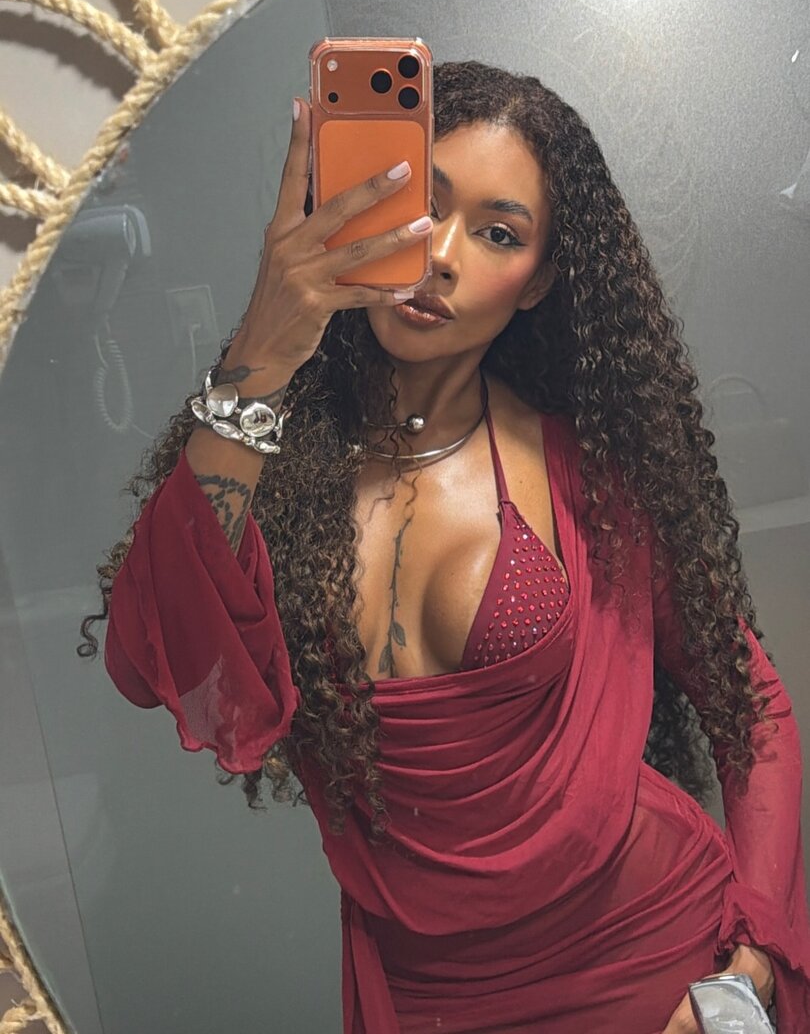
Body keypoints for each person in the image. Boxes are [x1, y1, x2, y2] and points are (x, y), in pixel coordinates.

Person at [78, 60, 810, 1033]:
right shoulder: (269, 473)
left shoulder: (590, 478)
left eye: (499, 232)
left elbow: (750, 705)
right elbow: (152, 661)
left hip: (654, 956)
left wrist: (751, 965)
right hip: (424, 995)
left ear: (538, 279)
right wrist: (265, 343)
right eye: (421, 207)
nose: (443, 256)